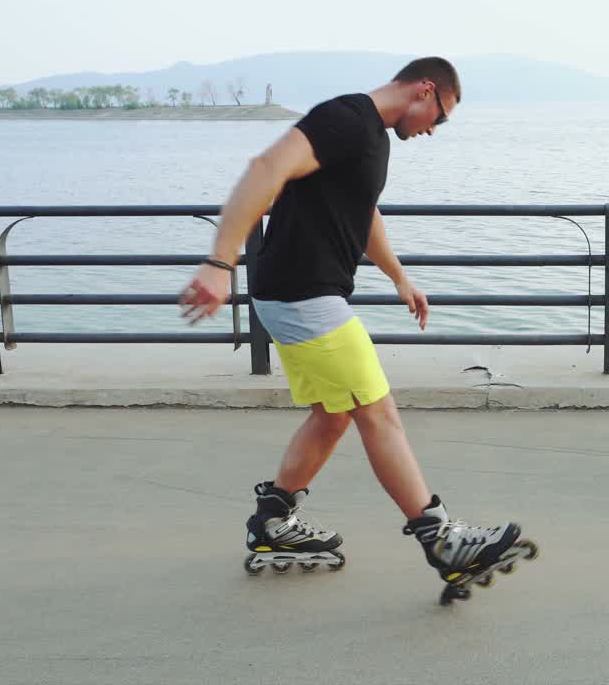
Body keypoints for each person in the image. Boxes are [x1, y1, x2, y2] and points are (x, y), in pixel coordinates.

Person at [178, 57, 524, 587]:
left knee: (333, 415)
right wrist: (220, 262)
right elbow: (264, 169)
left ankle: (272, 519)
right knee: (377, 412)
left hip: (298, 293)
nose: (433, 129)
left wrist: (399, 278)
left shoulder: (372, 138)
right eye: (440, 116)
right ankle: (443, 542)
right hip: (304, 295)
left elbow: (362, 215)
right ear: (424, 90)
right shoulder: (345, 118)